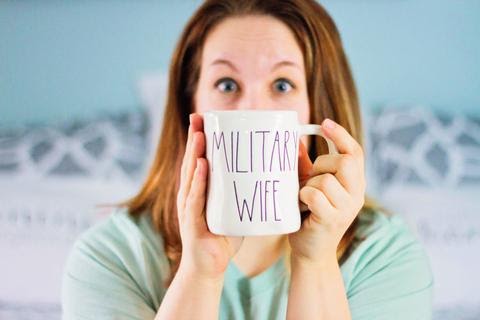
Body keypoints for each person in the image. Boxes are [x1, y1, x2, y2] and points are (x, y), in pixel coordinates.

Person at [61, 0, 434, 319]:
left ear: (315, 110)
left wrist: (315, 261)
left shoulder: (387, 256)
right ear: (190, 105)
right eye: (226, 84)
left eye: (282, 85)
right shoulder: (110, 257)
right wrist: (200, 271)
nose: (253, 109)